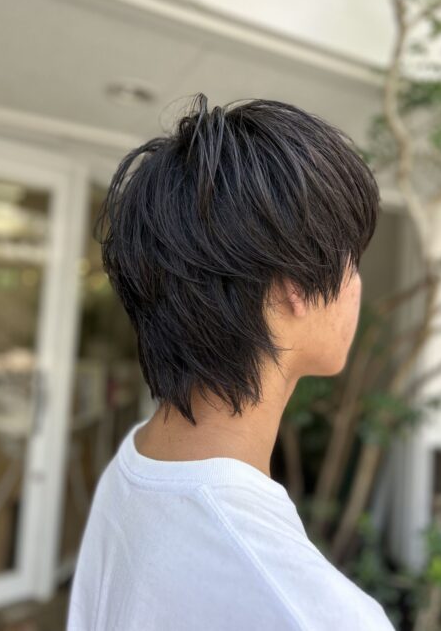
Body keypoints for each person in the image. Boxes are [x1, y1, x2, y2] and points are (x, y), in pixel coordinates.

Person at [66, 93, 395, 630]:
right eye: (352, 261)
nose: (358, 285)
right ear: (295, 286)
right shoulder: (313, 613)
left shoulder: (137, 464)